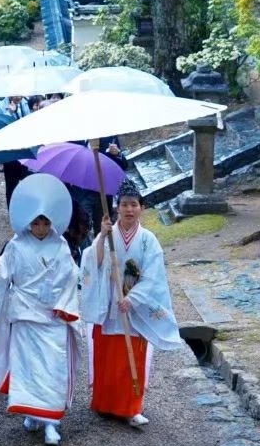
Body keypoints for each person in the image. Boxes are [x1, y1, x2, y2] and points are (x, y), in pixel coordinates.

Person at [0, 174, 81, 446]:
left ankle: (51, 423)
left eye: (46, 222)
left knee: (53, 368)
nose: (41, 227)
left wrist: (64, 306)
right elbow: (2, 277)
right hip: (25, 315)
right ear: (28, 222)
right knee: (28, 369)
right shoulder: (15, 246)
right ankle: (33, 414)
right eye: (36, 222)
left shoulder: (61, 246)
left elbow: (71, 277)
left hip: (52, 316)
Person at [78, 180, 185, 427]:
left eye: (133, 205)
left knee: (131, 359)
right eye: (124, 205)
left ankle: (131, 407)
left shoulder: (148, 240)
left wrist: (132, 298)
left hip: (134, 308)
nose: (128, 210)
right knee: (107, 358)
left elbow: (154, 276)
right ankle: (104, 404)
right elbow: (91, 263)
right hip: (109, 305)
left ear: (142, 208)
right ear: (116, 208)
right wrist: (103, 237)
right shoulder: (108, 234)